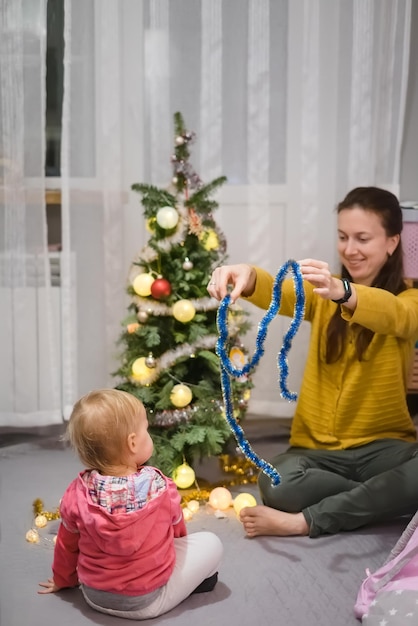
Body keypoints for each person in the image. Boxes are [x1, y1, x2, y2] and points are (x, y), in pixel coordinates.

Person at [208, 186, 418, 539]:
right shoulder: (323, 294)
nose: (350, 249)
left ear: (392, 242)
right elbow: (278, 289)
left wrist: (346, 292)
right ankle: (379, 497)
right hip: (315, 450)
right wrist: (246, 272)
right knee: (276, 484)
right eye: (342, 237)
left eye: (363, 238)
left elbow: (397, 316)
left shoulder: (409, 297)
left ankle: (307, 520)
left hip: (383, 446)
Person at [38, 388, 223, 619]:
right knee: (211, 542)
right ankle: (192, 585)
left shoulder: (77, 493)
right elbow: (178, 536)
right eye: (146, 429)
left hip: (94, 596)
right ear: (133, 443)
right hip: (148, 601)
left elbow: (66, 545)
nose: (149, 435)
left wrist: (62, 580)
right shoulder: (161, 487)